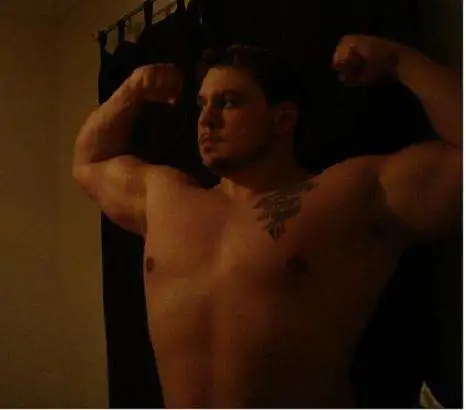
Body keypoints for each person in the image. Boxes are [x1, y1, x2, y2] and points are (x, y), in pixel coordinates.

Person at [73, 34, 462, 408]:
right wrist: (133, 88)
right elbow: (88, 162)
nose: (206, 120)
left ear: (282, 119)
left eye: (228, 102)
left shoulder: (343, 198)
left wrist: (398, 59)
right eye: (202, 104)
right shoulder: (164, 198)